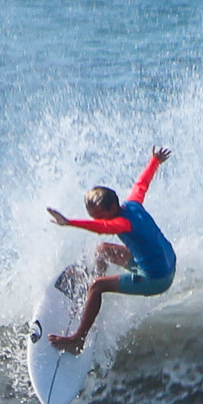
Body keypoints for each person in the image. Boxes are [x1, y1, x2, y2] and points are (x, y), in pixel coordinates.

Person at [45, 146, 176, 354]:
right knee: (102, 250)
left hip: (156, 278)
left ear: (112, 209)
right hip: (164, 263)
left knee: (98, 286)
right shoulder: (132, 203)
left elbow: (101, 228)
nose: (98, 220)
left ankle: (77, 340)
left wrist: (69, 222)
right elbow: (142, 183)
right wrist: (154, 161)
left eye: (100, 216)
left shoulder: (122, 223)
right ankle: (90, 299)